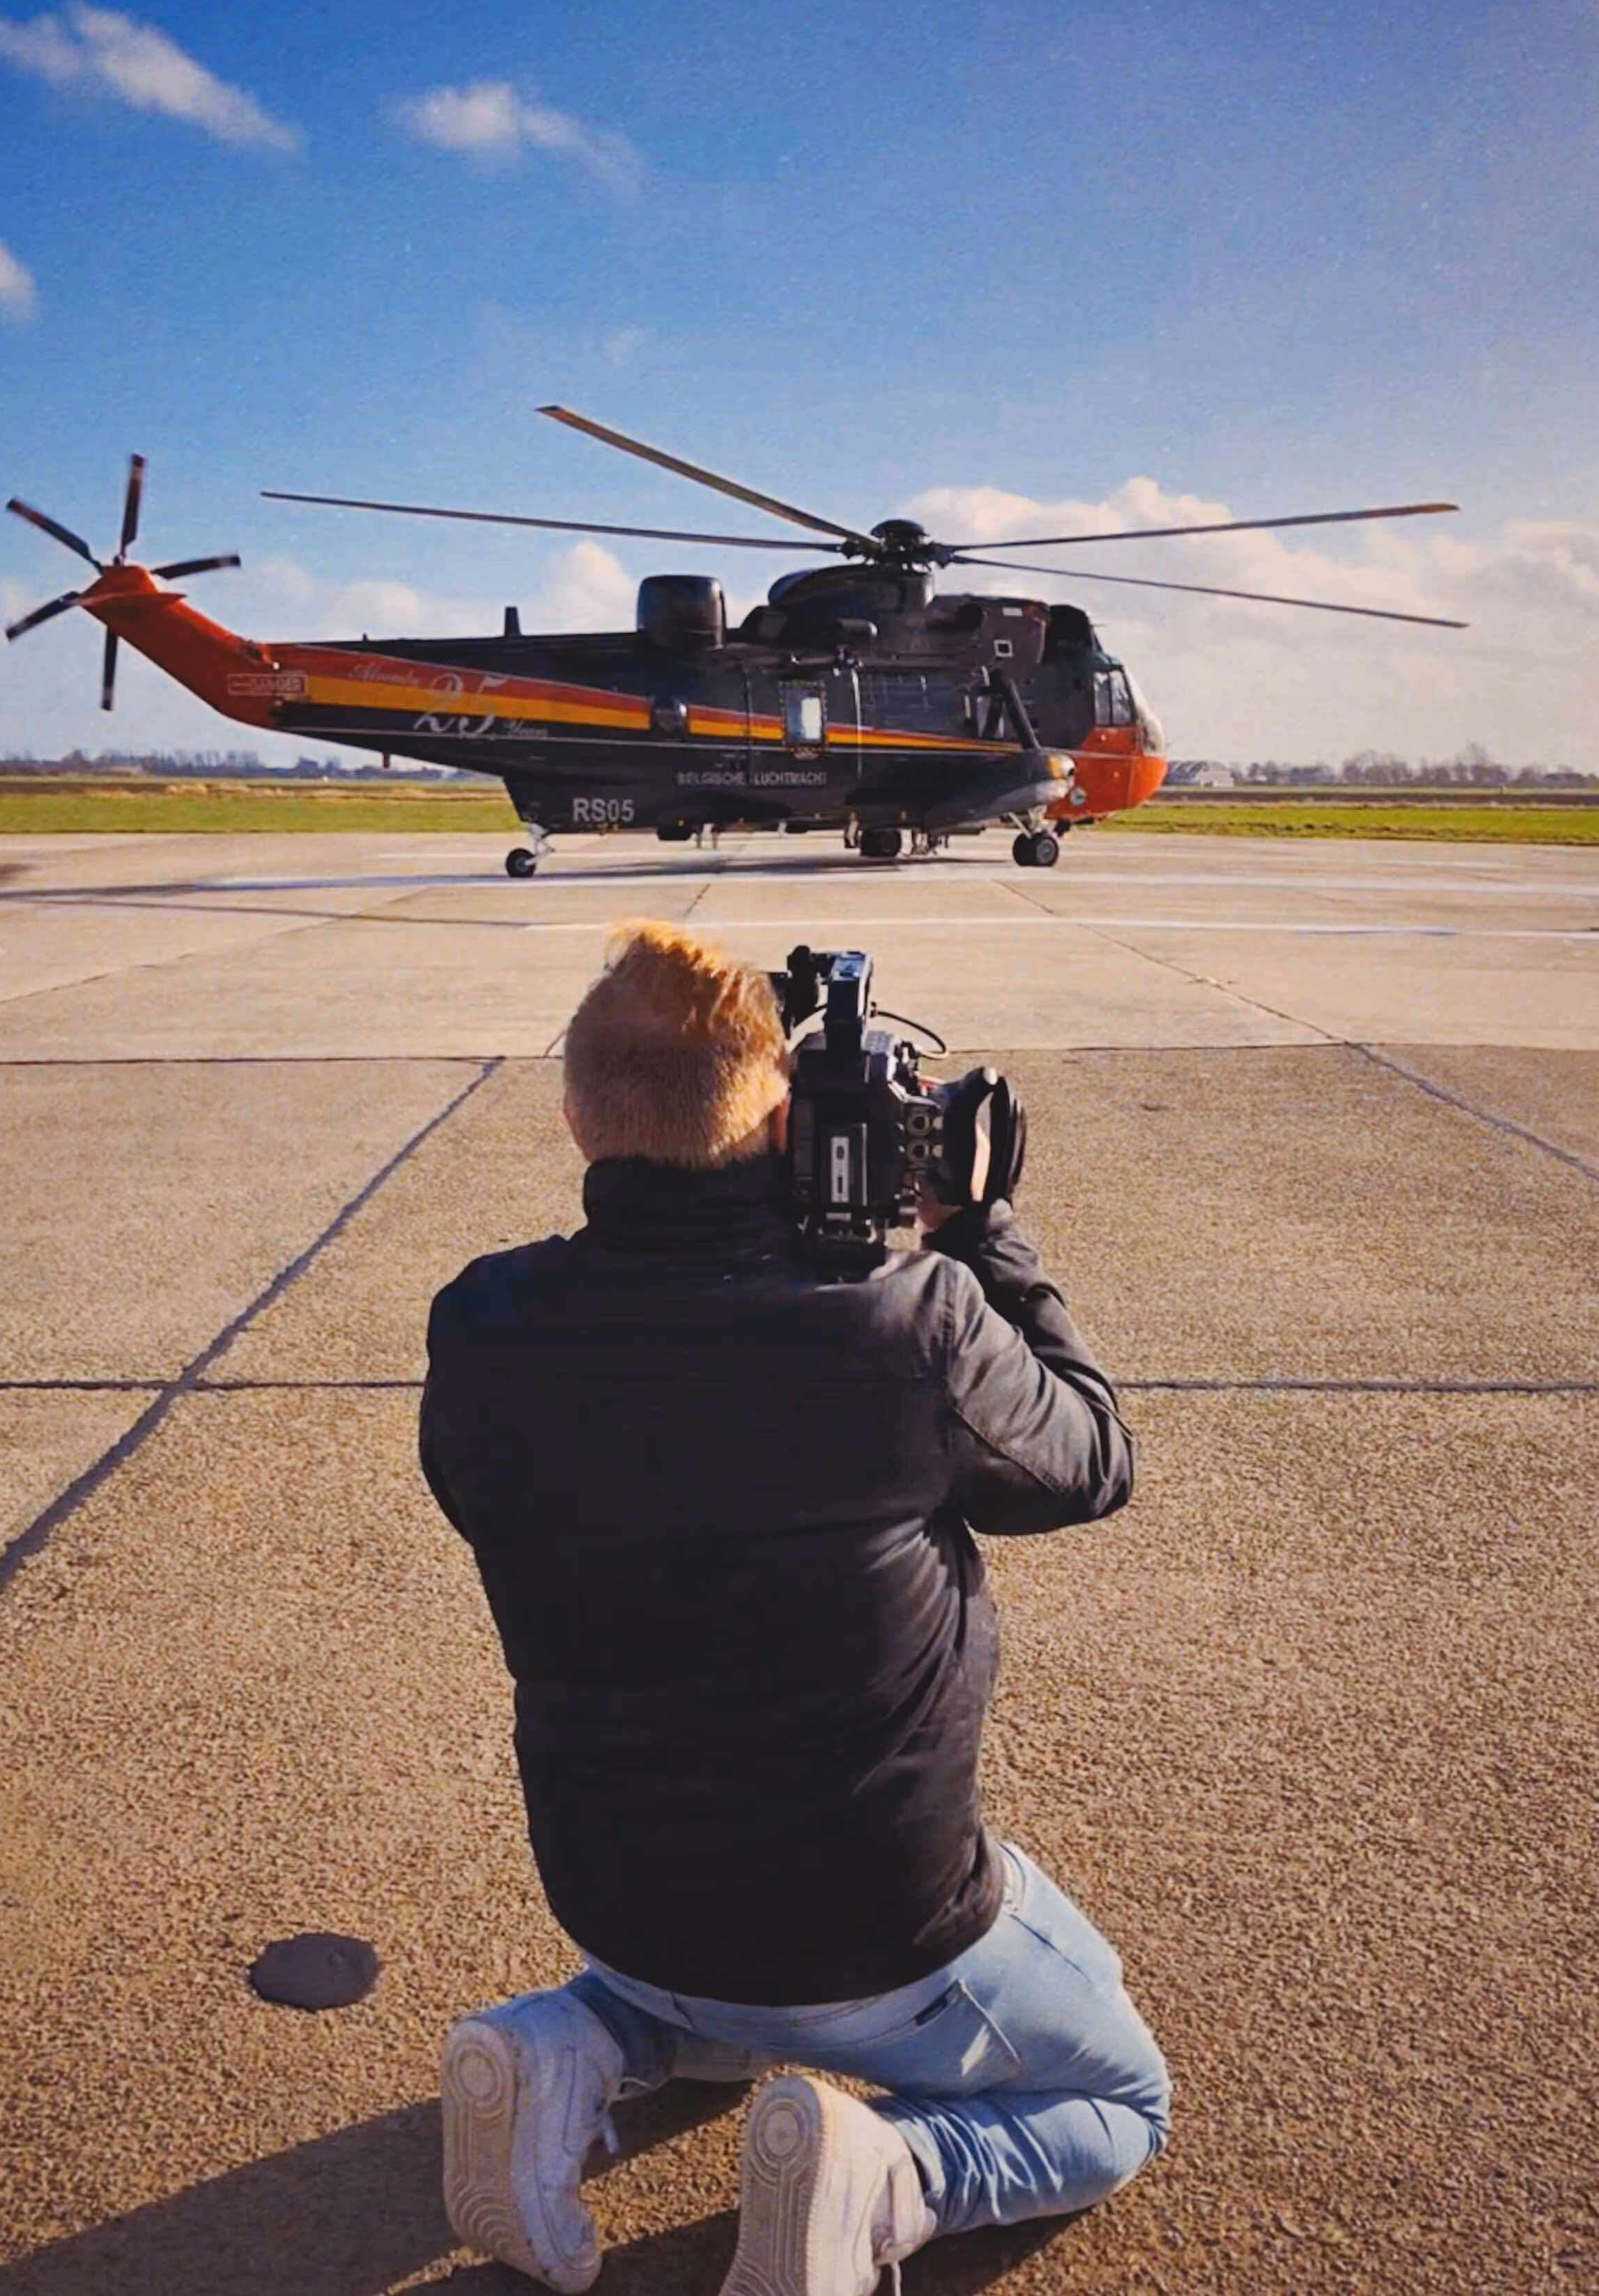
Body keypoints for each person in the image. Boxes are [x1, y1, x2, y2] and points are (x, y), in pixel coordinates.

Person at [419, 921, 1169, 2296]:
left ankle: (562, 2049)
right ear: (782, 1123)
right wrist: (984, 1234)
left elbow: (487, 1499)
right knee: (1123, 2103)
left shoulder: (481, 1324)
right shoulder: (908, 1323)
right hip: (878, 1925)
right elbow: (1093, 1463)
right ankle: (888, 2175)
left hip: (621, 1898)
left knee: (713, 1992)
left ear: (579, 1116)